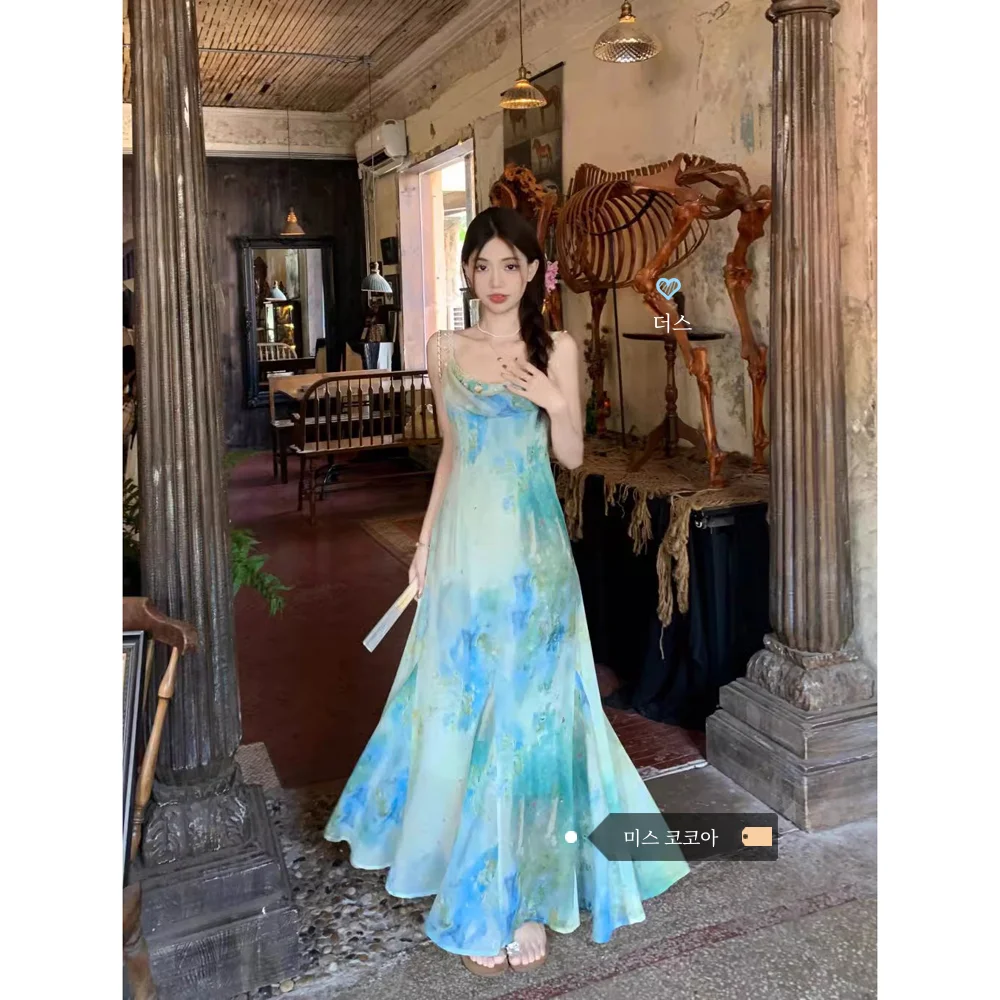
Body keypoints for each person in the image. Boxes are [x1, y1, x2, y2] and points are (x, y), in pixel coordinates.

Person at [324, 207, 688, 976]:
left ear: (532, 274)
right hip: (464, 556)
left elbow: (572, 454)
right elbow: (453, 453)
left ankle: (525, 897)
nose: (495, 280)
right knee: (458, 708)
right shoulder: (444, 349)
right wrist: (425, 547)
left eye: (511, 265)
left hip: (533, 561)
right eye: (483, 264)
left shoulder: (558, 347)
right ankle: (474, 872)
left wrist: (554, 398)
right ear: (467, 271)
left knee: (531, 721)